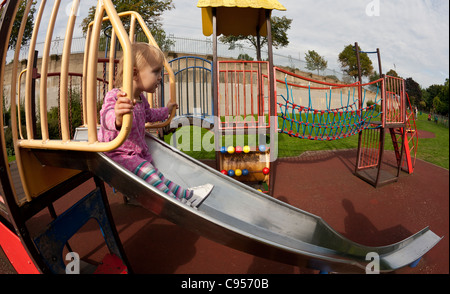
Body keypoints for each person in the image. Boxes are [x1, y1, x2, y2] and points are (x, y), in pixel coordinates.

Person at [98, 42, 213, 208]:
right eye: (156, 71)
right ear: (135, 73)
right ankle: (176, 204)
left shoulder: (141, 100)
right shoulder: (116, 96)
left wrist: (167, 110)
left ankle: (187, 195)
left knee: (159, 177)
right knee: (150, 173)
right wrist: (117, 118)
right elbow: (105, 117)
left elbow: (150, 115)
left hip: (136, 156)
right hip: (118, 155)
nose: (160, 77)